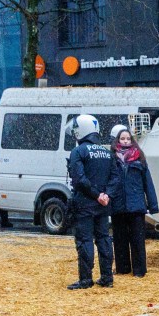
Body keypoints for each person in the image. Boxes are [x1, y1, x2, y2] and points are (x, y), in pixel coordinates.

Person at [66, 114, 119, 290]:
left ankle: (85, 279)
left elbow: (79, 179)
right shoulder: (106, 152)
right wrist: (106, 196)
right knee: (104, 239)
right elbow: (115, 178)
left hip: (85, 203)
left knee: (85, 240)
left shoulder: (78, 152)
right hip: (103, 205)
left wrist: (96, 195)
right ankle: (107, 277)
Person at [110, 129, 159, 277]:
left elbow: (148, 183)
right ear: (118, 141)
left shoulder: (140, 159)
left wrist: (153, 204)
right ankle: (122, 268)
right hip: (118, 205)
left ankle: (139, 271)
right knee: (120, 239)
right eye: (122, 139)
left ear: (132, 141)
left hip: (136, 205)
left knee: (137, 240)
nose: (125, 141)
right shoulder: (112, 159)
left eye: (128, 139)